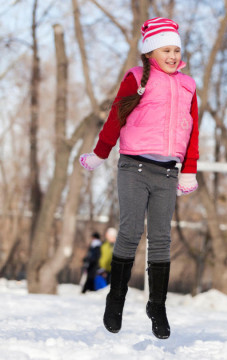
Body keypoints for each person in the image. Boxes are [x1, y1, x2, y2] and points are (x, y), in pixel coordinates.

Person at [79, 17, 199, 340]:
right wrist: (100, 152)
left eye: (176, 49)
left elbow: (193, 131)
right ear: (150, 53)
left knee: (161, 238)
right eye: (166, 50)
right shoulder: (136, 78)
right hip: (134, 167)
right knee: (130, 232)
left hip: (168, 172)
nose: (173, 56)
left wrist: (189, 168)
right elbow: (116, 115)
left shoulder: (188, 86)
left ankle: (156, 305)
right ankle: (116, 297)